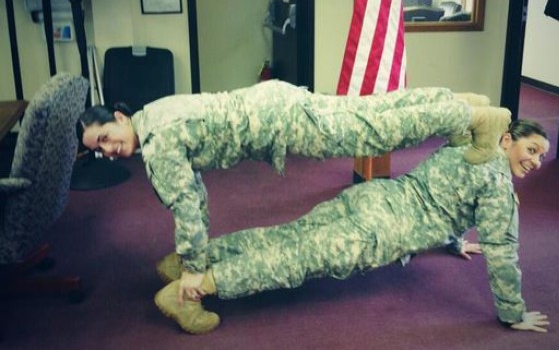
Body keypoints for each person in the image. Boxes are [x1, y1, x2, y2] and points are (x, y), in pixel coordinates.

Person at [77, 80, 510, 305]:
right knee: (368, 111)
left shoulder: (158, 147)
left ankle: (470, 116)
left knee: (372, 132)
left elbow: (187, 205)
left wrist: (194, 267)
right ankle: (455, 100)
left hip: (281, 122)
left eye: (106, 137)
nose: (111, 150)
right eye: (100, 150)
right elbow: (194, 193)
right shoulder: (153, 113)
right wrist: (197, 256)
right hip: (276, 102)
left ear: (119, 116)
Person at [153, 119, 550, 335]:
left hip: (371, 197)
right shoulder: (499, 186)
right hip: (380, 231)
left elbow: (443, 196)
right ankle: (189, 290)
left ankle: (188, 262)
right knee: (293, 259)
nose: (534, 161)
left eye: (541, 157)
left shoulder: (467, 146)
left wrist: (453, 240)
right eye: (531, 149)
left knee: (289, 235)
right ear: (507, 139)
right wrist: (512, 313)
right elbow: (502, 253)